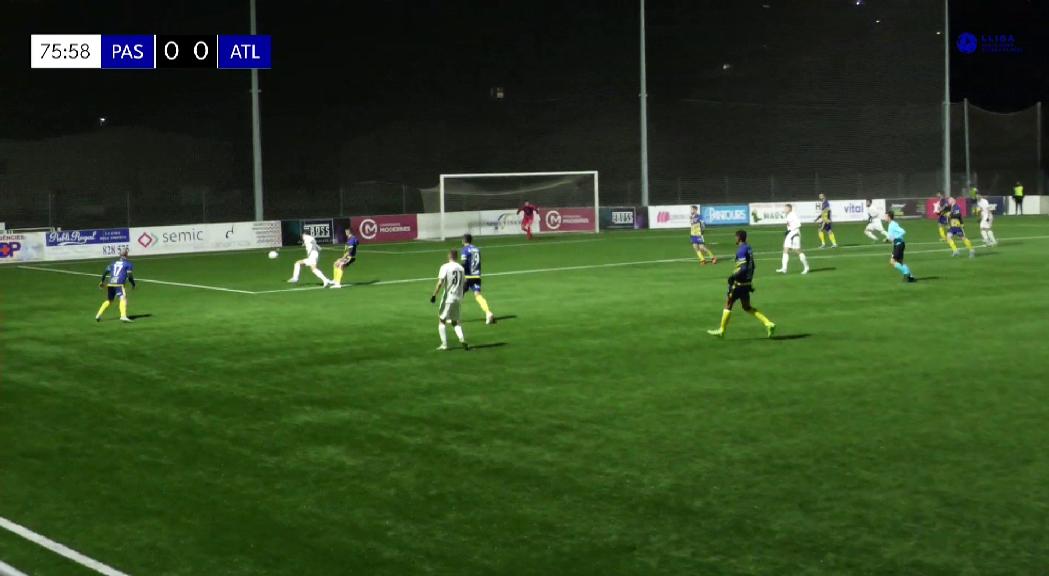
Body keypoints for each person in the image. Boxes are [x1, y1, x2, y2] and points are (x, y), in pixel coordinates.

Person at [708, 230, 776, 339]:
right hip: (747, 283)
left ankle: (722, 330)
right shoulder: (749, 248)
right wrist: (749, 281)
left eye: (736, 237)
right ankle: (768, 323)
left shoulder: (741, 250)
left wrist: (733, 277)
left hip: (739, 283)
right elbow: (752, 266)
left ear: (739, 238)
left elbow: (743, 268)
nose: (735, 239)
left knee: (728, 304)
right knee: (746, 307)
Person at [430, 249, 469, 351]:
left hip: (448, 297)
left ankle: (444, 344)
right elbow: (465, 283)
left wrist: (434, 295)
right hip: (458, 298)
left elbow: (440, 283)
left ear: (449, 256)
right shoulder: (461, 268)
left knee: (442, 320)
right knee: (455, 321)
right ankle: (462, 339)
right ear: (456, 257)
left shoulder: (445, 267)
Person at [461, 234, 496, 324]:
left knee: (459, 295)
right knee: (478, 295)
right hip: (476, 276)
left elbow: (464, 263)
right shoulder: (477, 249)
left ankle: (453, 316)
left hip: (468, 276)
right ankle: (488, 313)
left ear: (464, 241)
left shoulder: (464, 250)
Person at [95, 248, 136, 322]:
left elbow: (105, 272)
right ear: (126, 254)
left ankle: (98, 315)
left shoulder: (113, 263)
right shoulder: (128, 264)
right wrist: (133, 284)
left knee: (109, 300)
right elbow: (130, 276)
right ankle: (123, 316)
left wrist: (102, 281)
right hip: (119, 284)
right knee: (123, 298)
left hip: (110, 283)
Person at [775, 203, 810, 274]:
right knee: (785, 249)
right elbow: (790, 225)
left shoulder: (793, 214)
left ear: (789, 209)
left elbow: (799, 224)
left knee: (797, 250)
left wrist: (792, 231)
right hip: (790, 233)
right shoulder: (788, 215)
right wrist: (788, 231)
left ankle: (806, 267)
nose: (784, 209)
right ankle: (784, 268)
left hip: (795, 233)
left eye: (785, 208)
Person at [883, 211, 917, 283]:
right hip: (897, 244)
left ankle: (906, 273)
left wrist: (895, 238)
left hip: (899, 244)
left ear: (889, 217)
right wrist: (887, 239)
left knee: (892, 261)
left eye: (885, 216)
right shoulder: (891, 225)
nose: (884, 218)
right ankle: (911, 277)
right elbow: (892, 237)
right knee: (900, 262)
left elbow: (903, 231)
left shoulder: (893, 225)